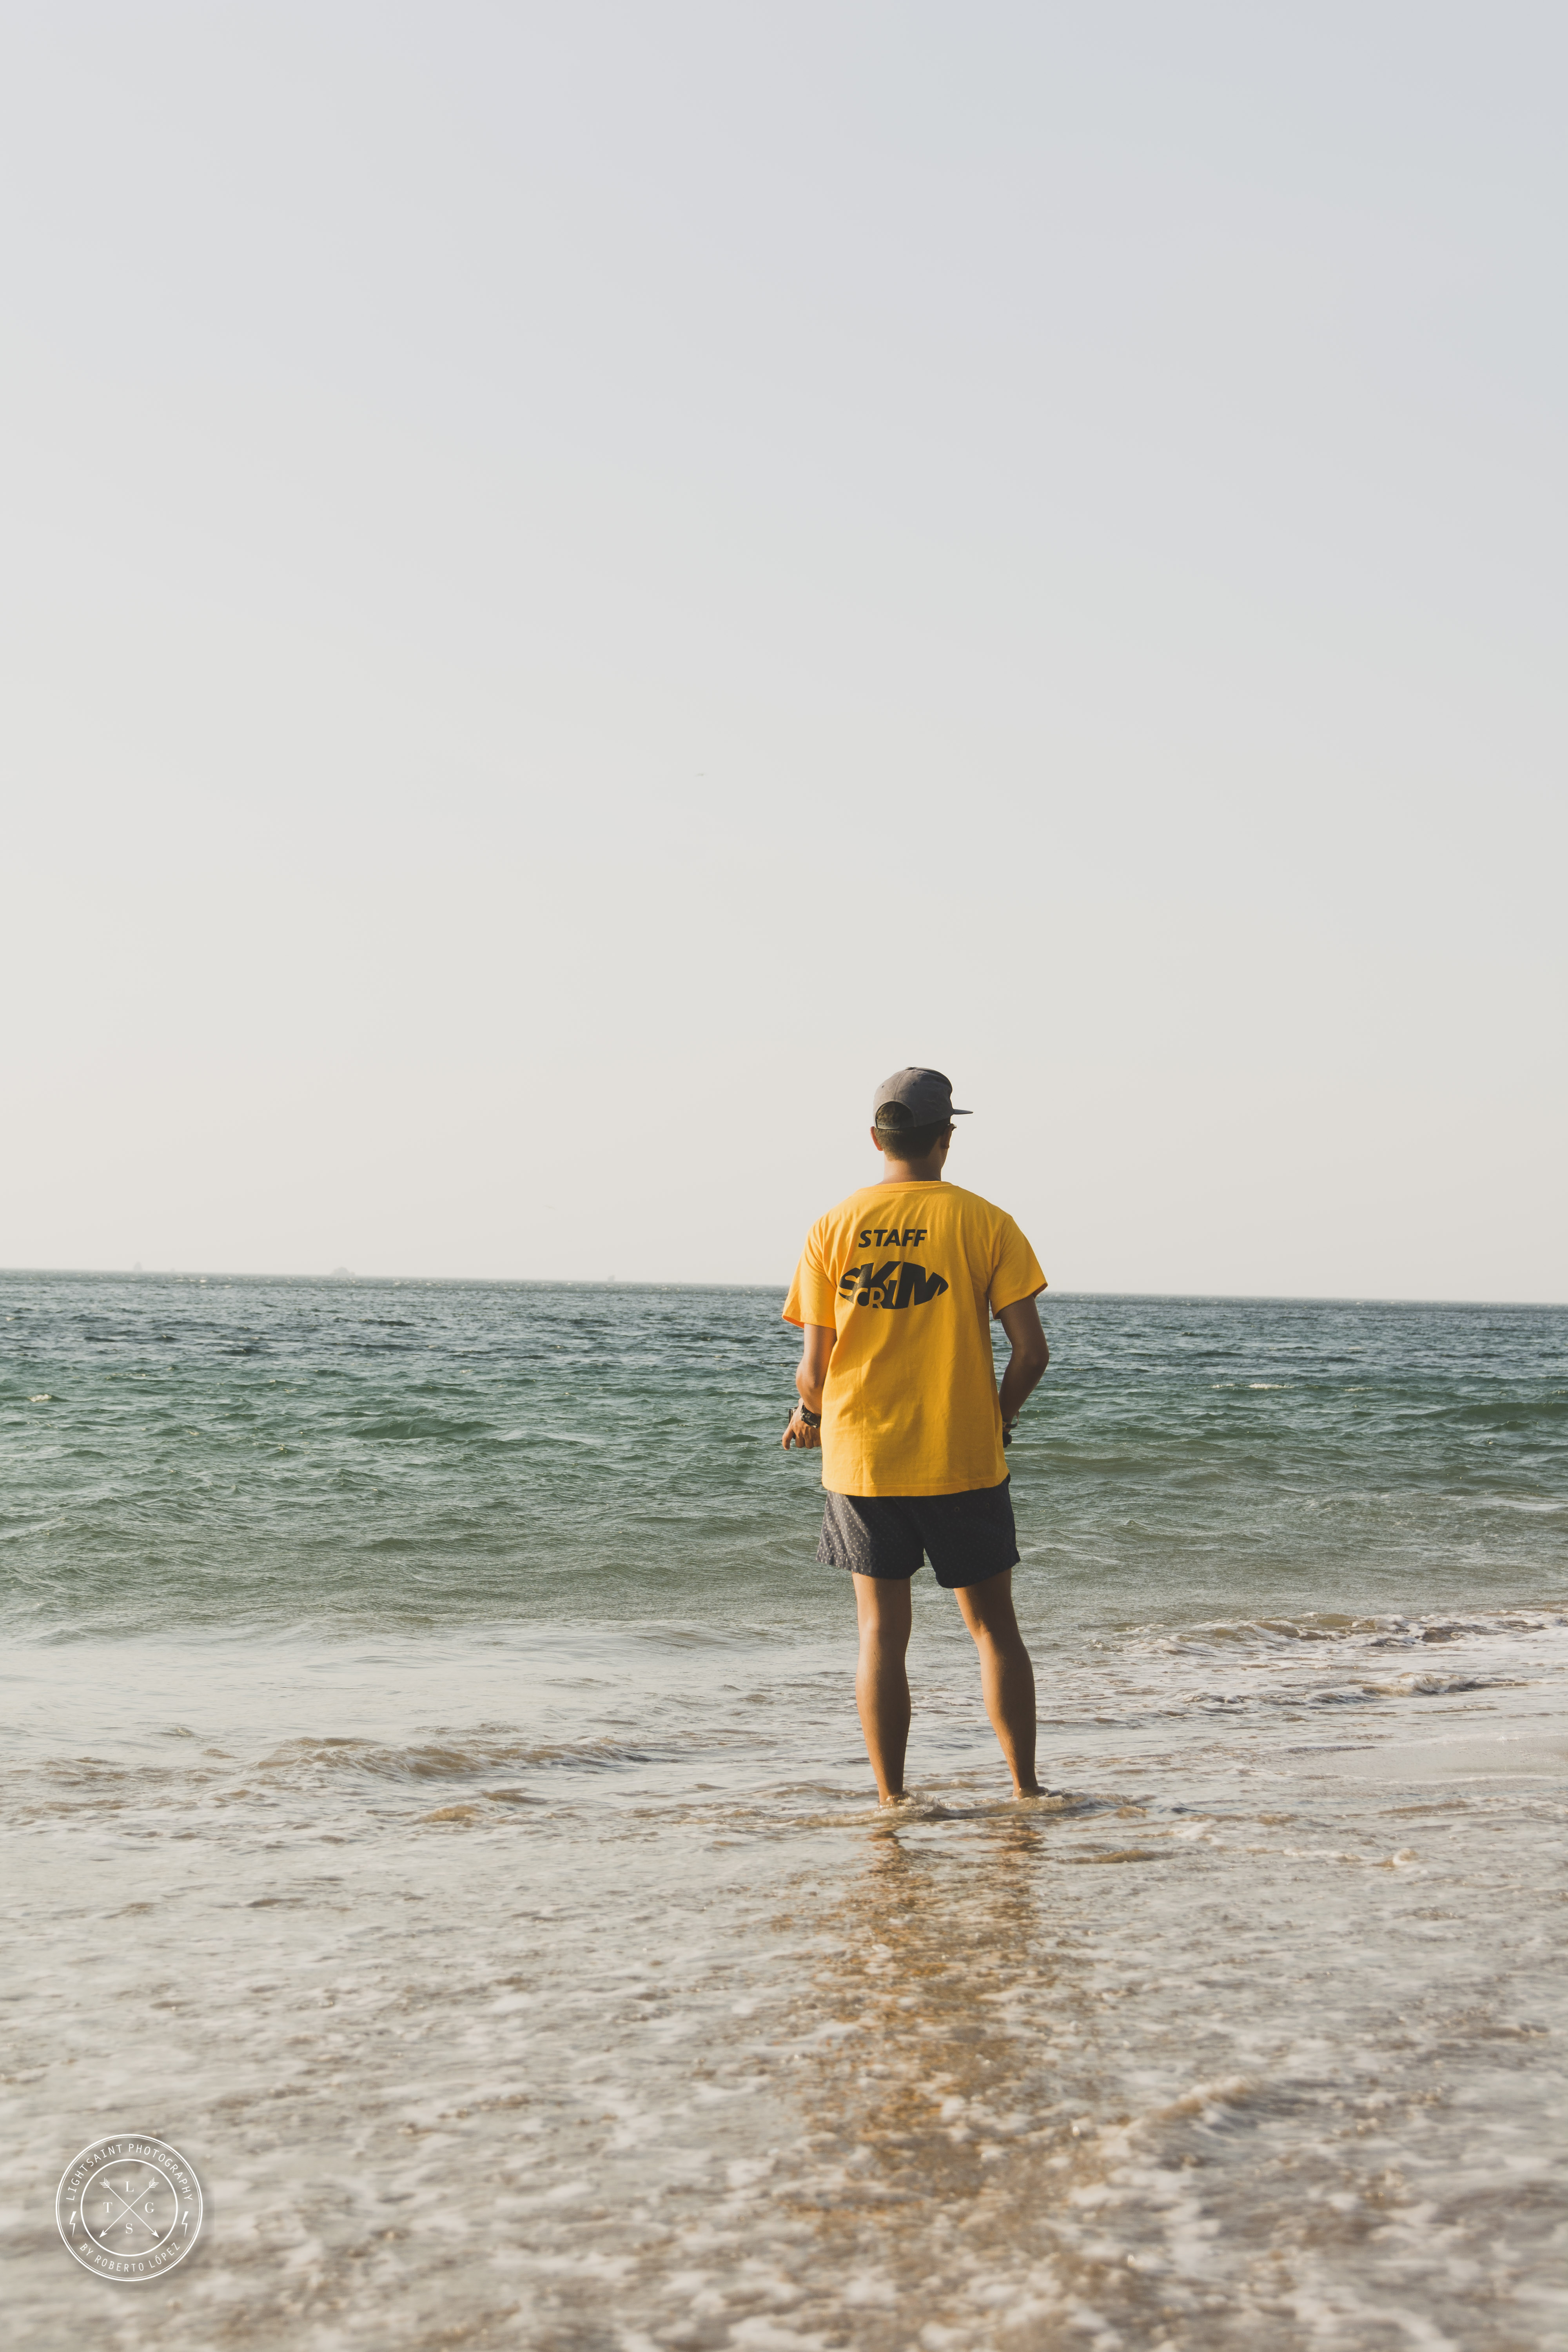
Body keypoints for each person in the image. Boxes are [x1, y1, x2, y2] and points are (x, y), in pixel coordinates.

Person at [782, 1067, 1051, 1804]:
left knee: (880, 1635)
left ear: (877, 1139)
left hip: (864, 1463)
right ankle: (1026, 1792)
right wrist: (999, 1418)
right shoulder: (986, 1222)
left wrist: (810, 1415)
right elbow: (1032, 1355)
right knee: (994, 1630)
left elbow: (814, 1372)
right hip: (962, 1456)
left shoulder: (832, 1227)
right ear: (947, 1139)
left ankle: (892, 1804)